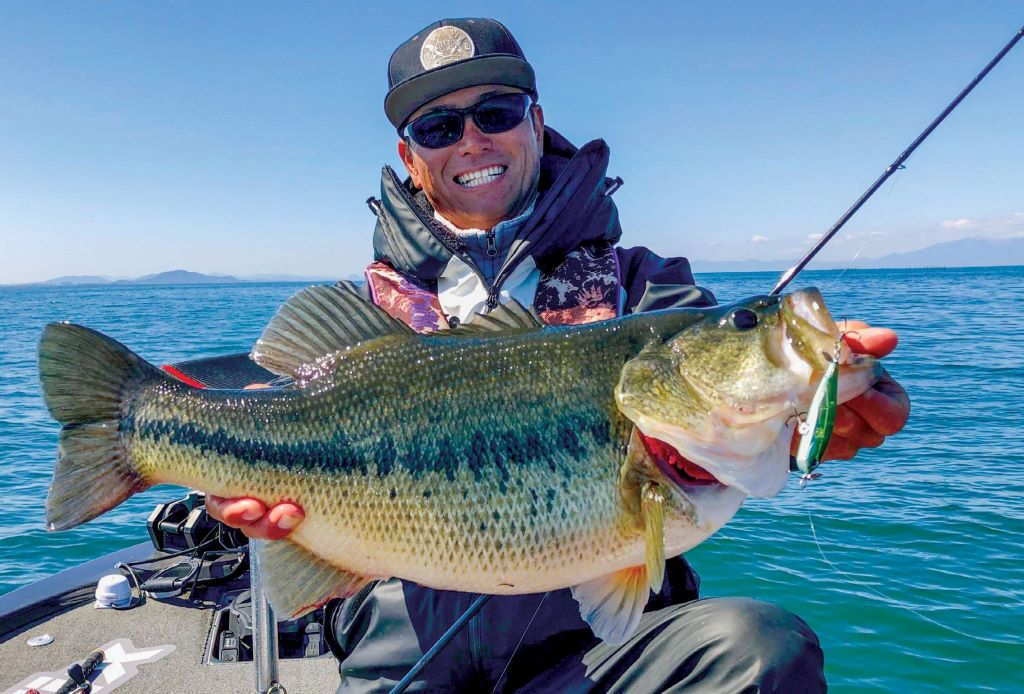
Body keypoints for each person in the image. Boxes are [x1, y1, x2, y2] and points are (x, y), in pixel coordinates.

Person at [208, 18, 910, 692]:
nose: (473, 140)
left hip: (604, 655)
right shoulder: (358, 320)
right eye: (439, 126)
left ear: (536, 124)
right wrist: (230, 469)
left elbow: (721, 404)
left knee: (761, 651)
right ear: (410, 158)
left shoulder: (648, 292)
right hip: (405, 648)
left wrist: (813, 409)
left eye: (498, 110)